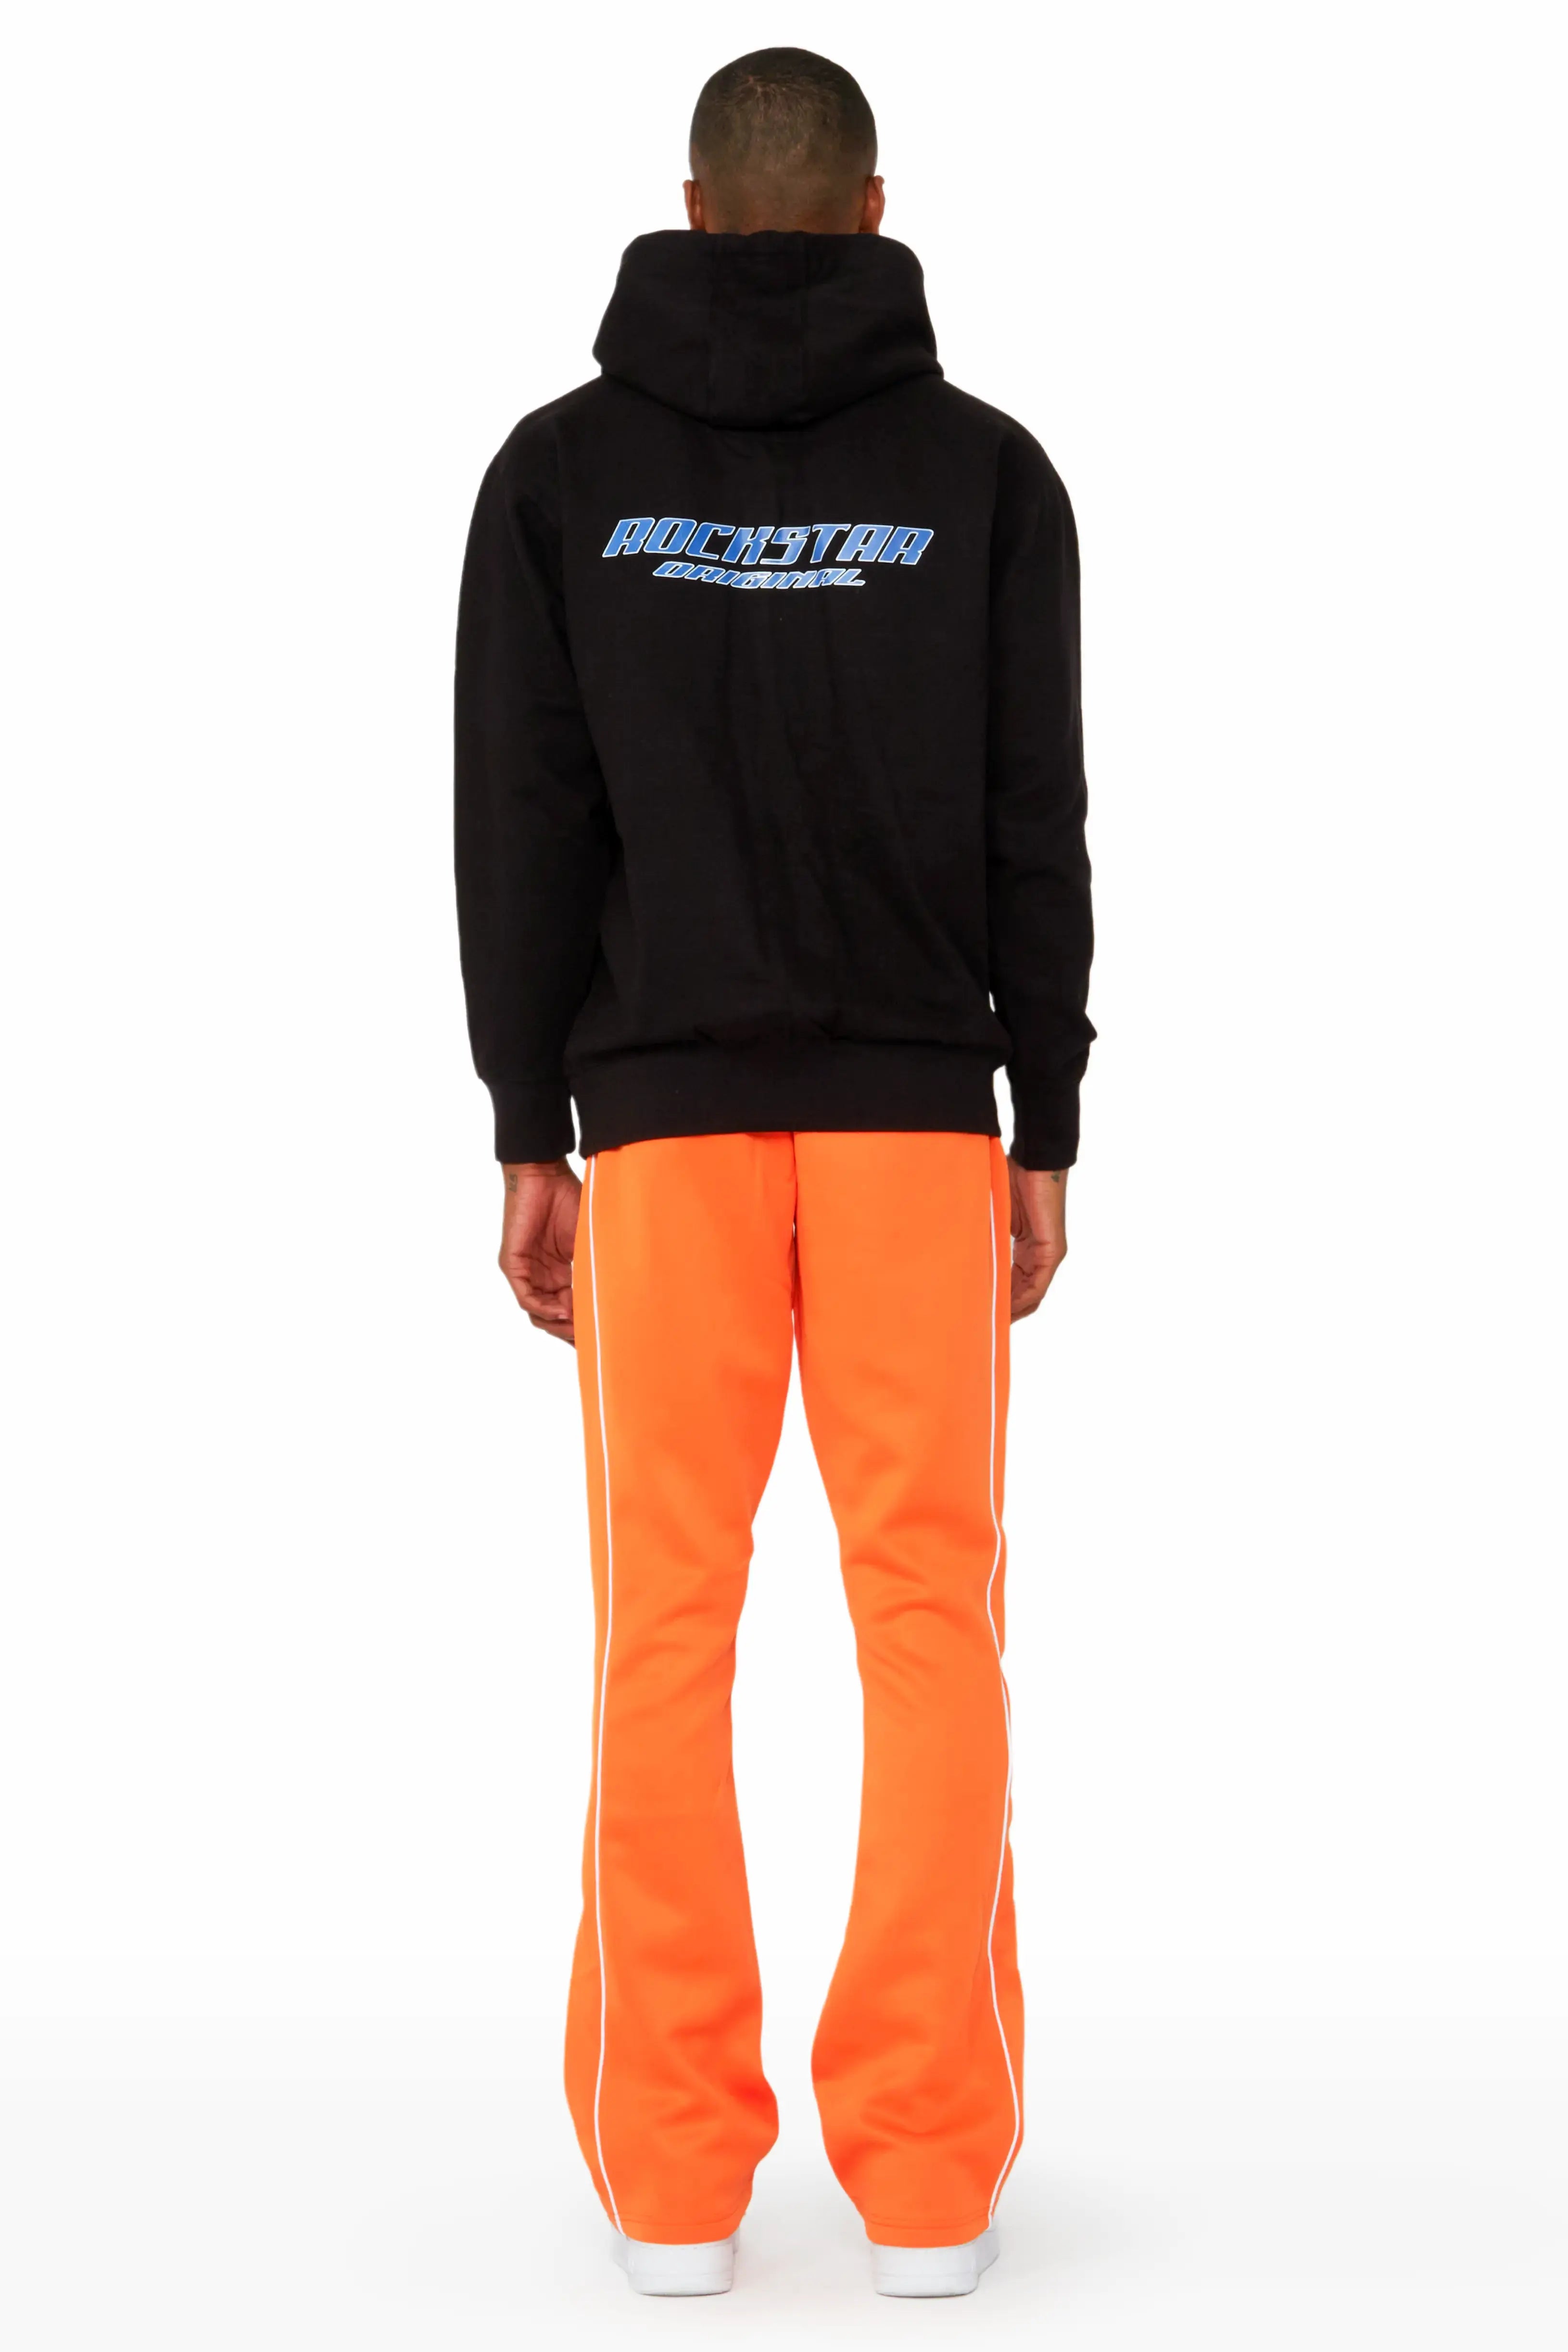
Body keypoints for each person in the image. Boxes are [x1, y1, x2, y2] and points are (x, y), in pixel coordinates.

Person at [455, 45, 1093, 2301]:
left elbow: (519, 820)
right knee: (930, 1619)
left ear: (696, 207)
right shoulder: (983, 475)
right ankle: (924, 2179)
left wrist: (525, 1124)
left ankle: (670, 2184)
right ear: (873, 208)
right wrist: (1043, 1120)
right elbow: (1034, 817)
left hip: (658, 1128)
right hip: (919, 1124)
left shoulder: (559, 476)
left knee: (664, 1623)